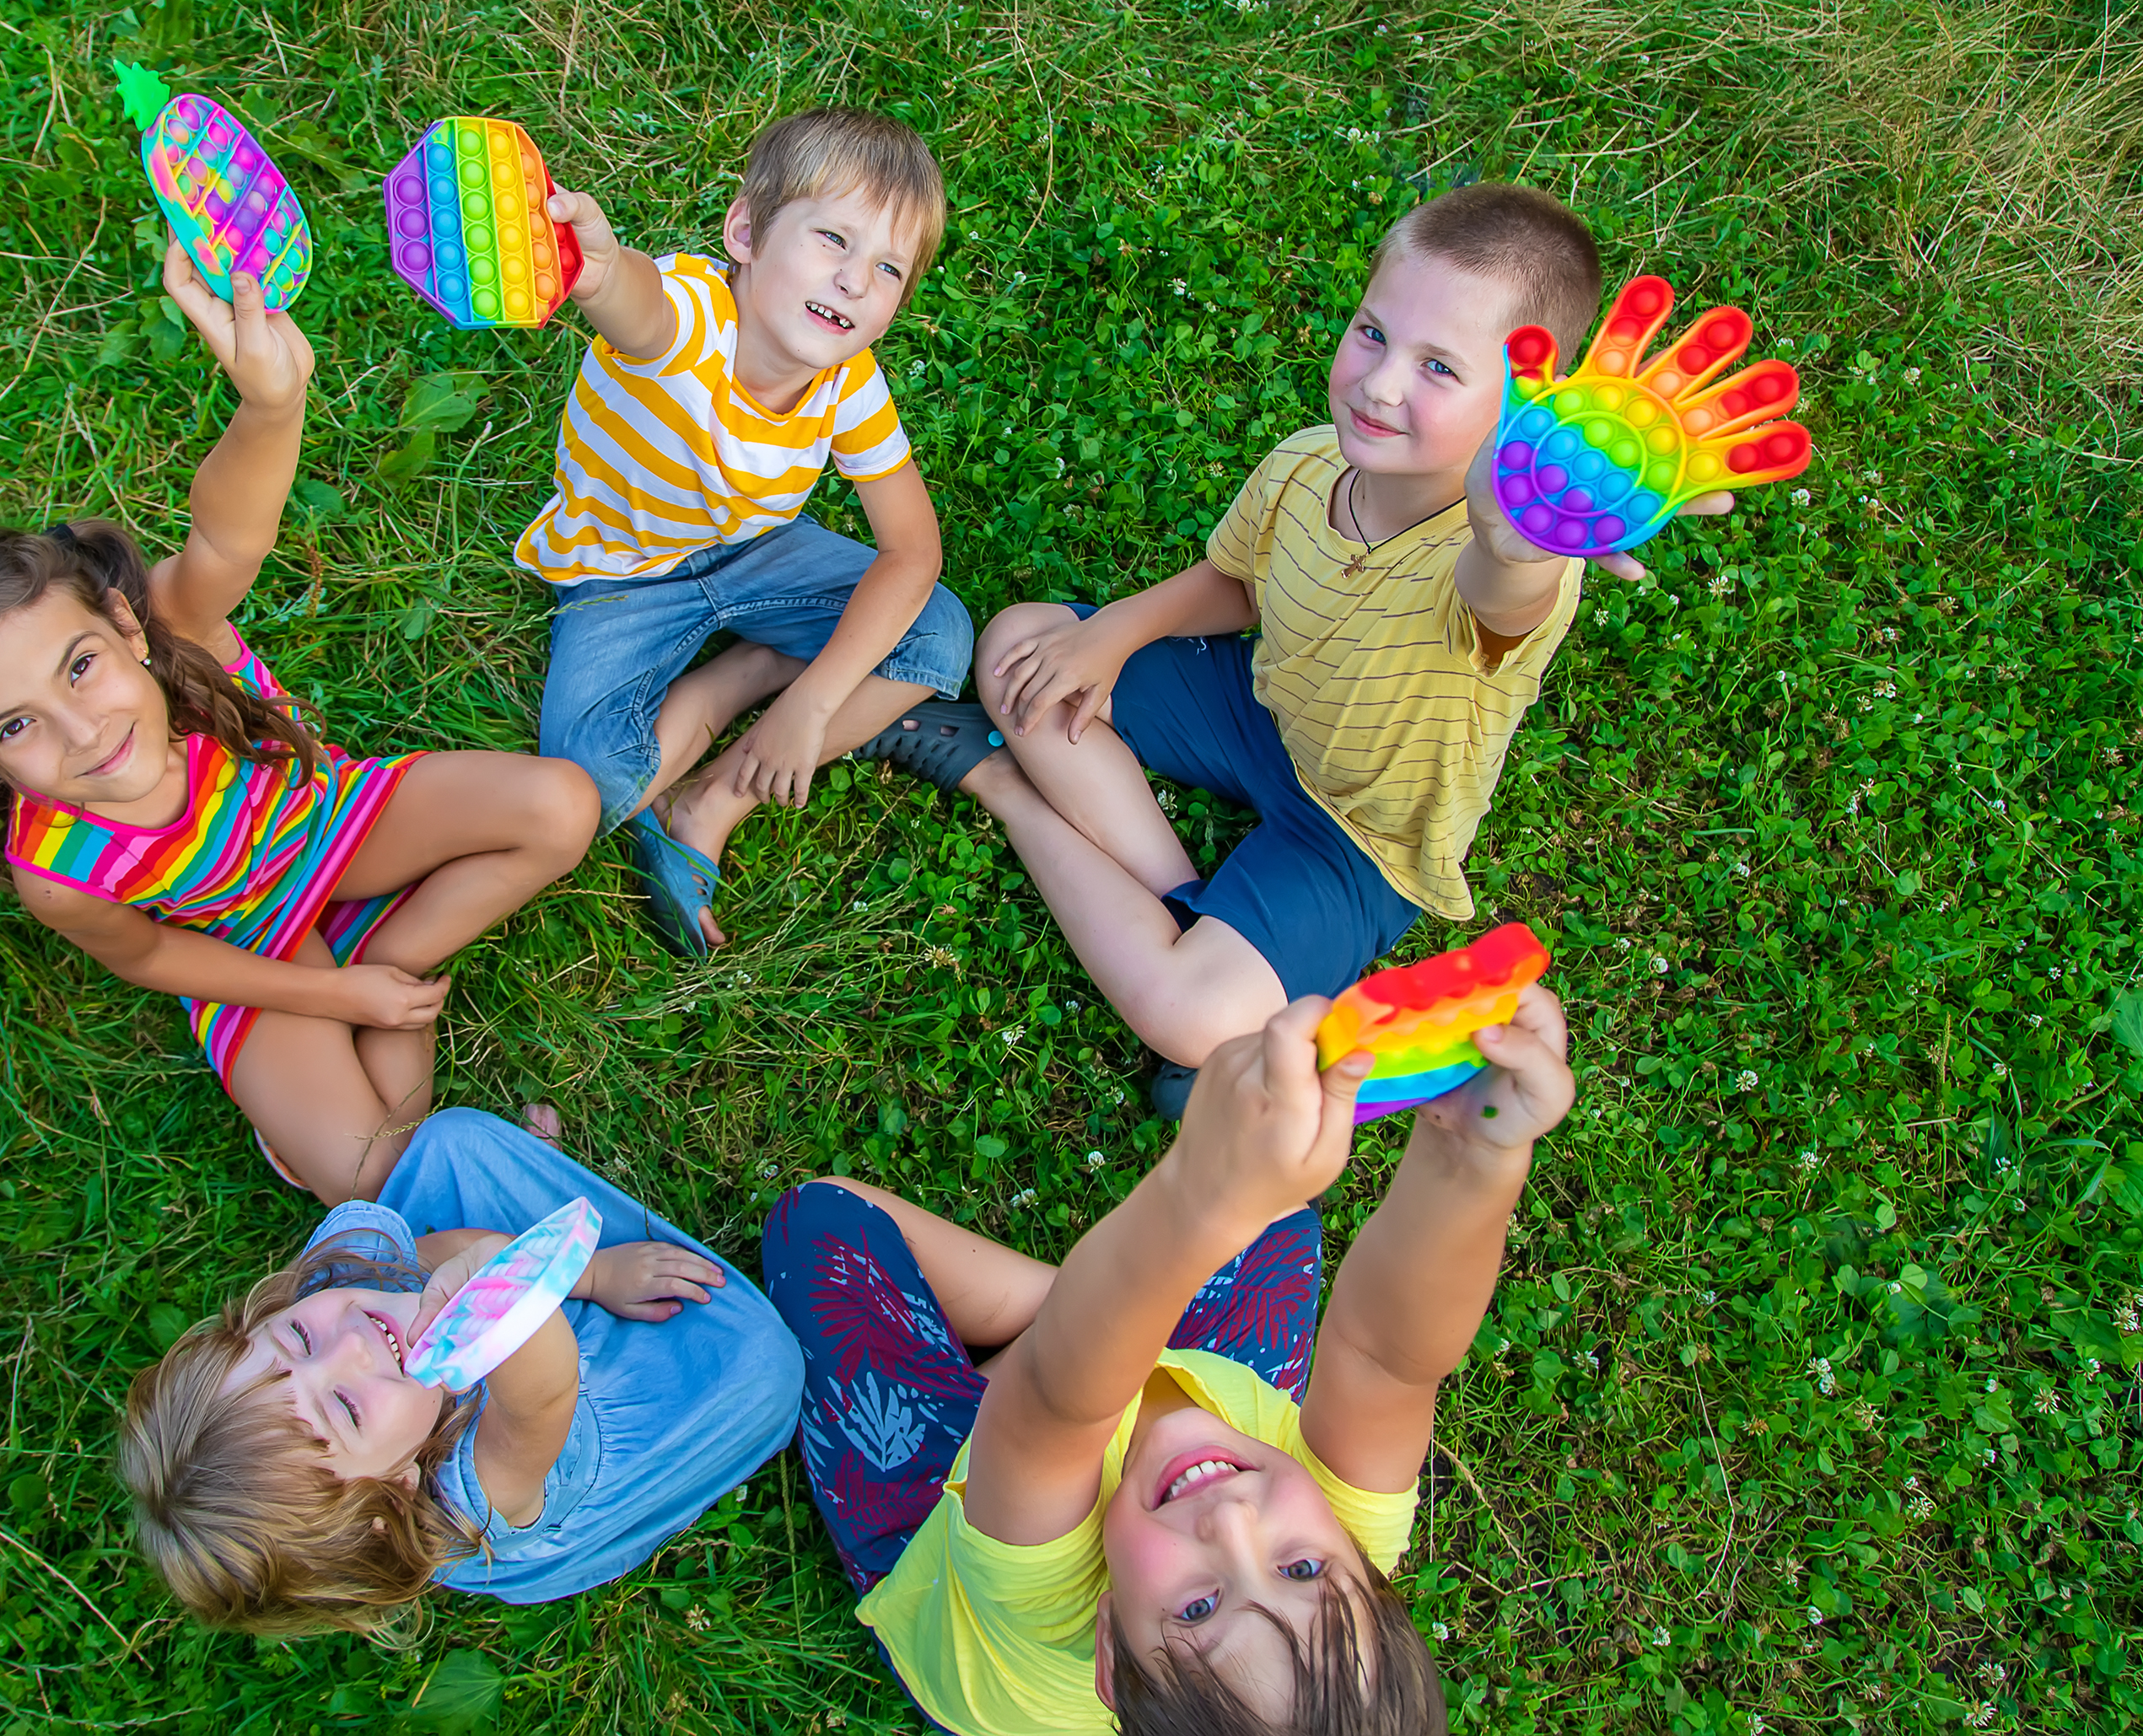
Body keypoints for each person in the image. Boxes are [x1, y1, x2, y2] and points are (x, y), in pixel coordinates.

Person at [872, 185, 1725, 1115]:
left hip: (1361, 835)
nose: (1381, 382)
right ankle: (1182, 901)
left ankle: (999, 785)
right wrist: (1112, 630)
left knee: (1191, 1018)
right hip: (1259, 707)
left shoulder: (1514, 560)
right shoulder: (1308, 460)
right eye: (1372, 333)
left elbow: (1498, 601)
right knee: (1022, 643)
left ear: (1529, 401)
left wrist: (1512, 542)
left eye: (1439, 368)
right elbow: (1236, 585)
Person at [0, 246, 598, 1202]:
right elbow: (159, 956)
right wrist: (336, 997)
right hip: (251, 949)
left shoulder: (182, 633)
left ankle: (398, 956)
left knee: (562, 805)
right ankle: (379, 1027)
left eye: (80, 667)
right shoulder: (55, 871)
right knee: (374, 1182)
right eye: (17, 728)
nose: (83, 732)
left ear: (127, 624)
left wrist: (272, 405)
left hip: (337, 824)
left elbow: (228, 535)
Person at [763, 986, 1576, 1734]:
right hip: (1100, 1398)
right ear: (1364, 1566)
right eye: (1298, 1564)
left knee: (822, 1224)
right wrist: (1473, 1155)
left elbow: (1059, 1401)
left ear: (1112, 1652)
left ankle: (1108, 1302)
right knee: (1279, 1214)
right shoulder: (1337, 1540)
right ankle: (1117, 1303)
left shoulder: (1048, 1609)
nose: (1231, 1521)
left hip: (953, 1507)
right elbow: (1388, 1359)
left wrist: (1206, 1194)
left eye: (1196, 1608)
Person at [520, 106, 973, 954]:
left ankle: (716, 797)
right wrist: (601, 267)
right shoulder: (689, 315)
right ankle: (738, 677)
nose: (852, 280)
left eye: (886, 268)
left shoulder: (850, 385)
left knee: (940, 635)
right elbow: (636, 304)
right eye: (832, 239)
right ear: (746, 233)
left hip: (759, 553)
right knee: (582, 783)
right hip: (621, 576)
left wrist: (815, 699)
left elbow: (913, 551)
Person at [121, 1107, 801, 1636]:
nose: (349, 1344)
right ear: (389, 1497)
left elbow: (422, 1255)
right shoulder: (467, 1501)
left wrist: (580, 1273)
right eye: (346, 1409)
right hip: (569, 1410)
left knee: (452, 1142)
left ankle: (550, 1247)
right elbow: (544, 1390)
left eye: (296, 1336)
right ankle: (553, 1256)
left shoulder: (337, 1293)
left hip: (498, 1314)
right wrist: (543, 1283)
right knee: (765, 1368)